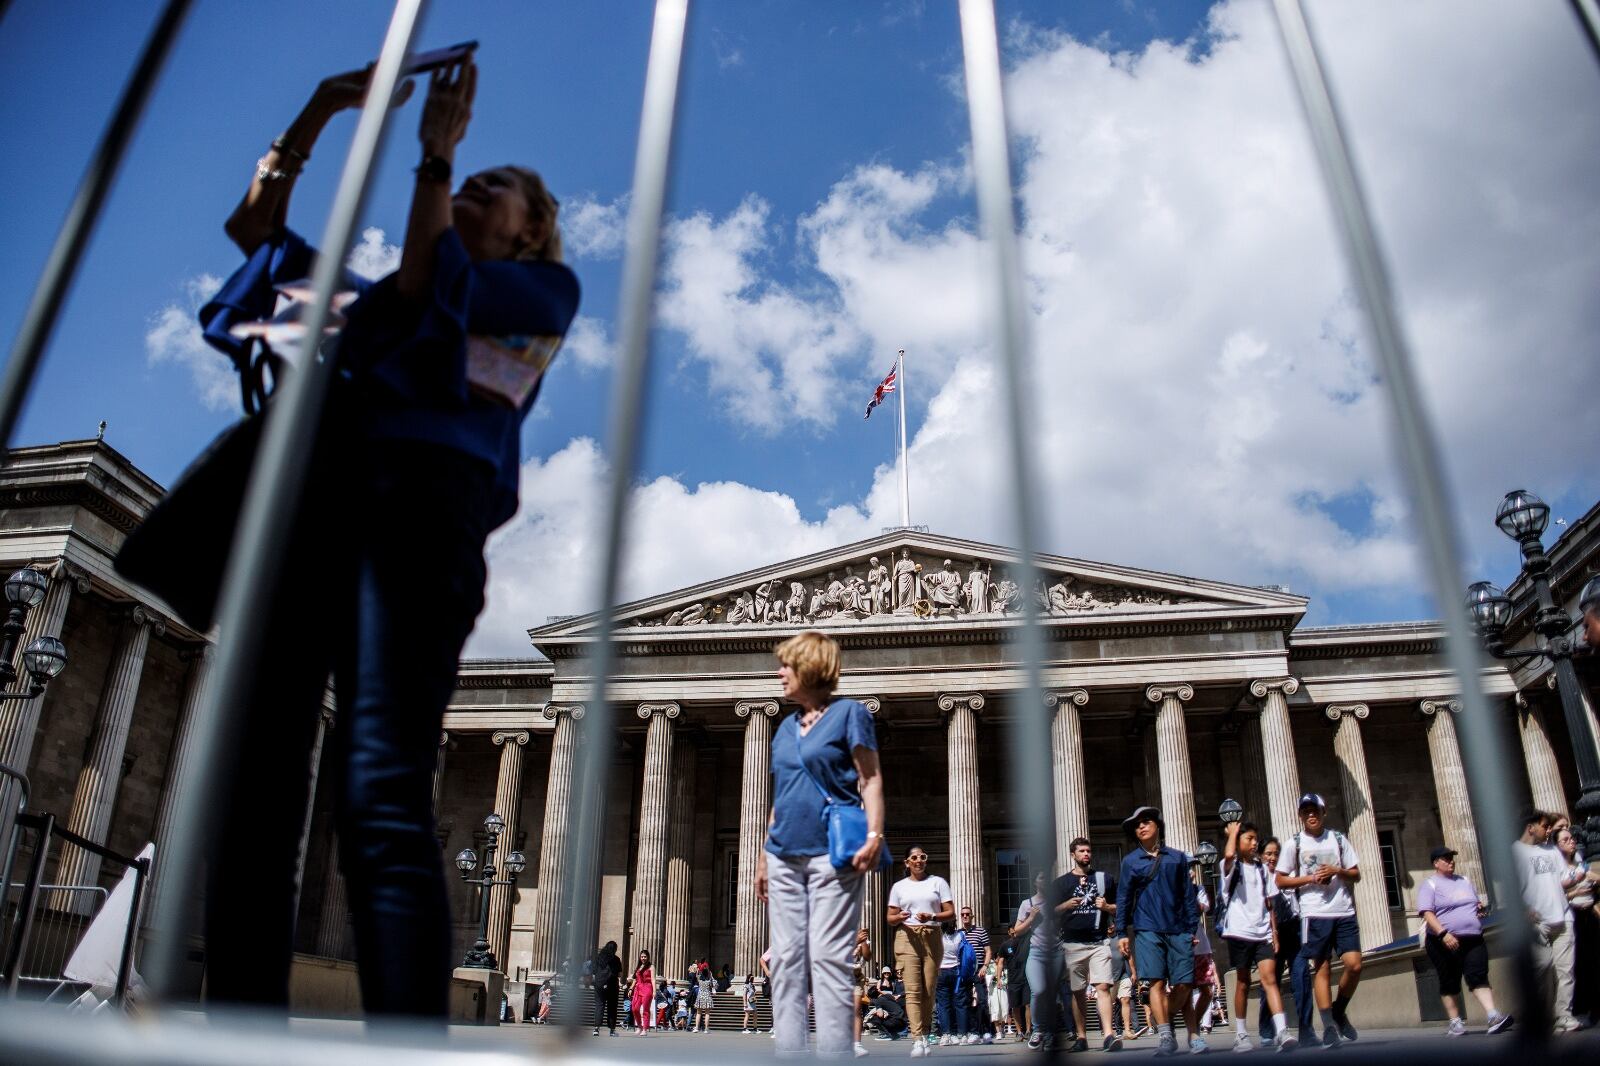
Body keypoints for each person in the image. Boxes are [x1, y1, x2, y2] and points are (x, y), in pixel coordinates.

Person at [194, 56, 579, 1020]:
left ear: (532, 230)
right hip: (314, 514)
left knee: (380, 785)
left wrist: (436, 160)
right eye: (469, 176)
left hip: (423, 524)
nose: (474, 185)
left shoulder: (538, 298)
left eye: (499, 187)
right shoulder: (371, 302)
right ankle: (242, 1022)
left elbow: (427, 293)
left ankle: (405, 1038)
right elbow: (255, 234)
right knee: (256, 782)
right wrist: (320, 108)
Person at [756, 631, 887, 1058]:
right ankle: (789, 1054)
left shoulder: (850, 713)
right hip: (783, 854)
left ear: (810, 669)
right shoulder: (783, 729)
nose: (780, 673)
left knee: (830, 960)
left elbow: (869, 779)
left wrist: (874, 834)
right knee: (787, 962)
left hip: (833, 854)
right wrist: (763, 856)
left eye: (787, 665)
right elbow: (782, 796)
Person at [1275, 793, 1363, 1048]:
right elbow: (1280, 880)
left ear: (1324, 813)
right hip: (1314, 913)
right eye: (1306, 812)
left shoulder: (1338, 839)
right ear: (1301, 816)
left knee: (1354, 965)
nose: (1311, 815)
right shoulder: (1294, 844)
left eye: (1315, 811)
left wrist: (1338, 871)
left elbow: (1356, 874)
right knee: (1322, 968)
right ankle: (1329, 1028)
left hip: (1343, 910)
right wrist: (1310, 879)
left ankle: (1339, 1009)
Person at [1115, 805, 1199, 1058]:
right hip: (1147, 929)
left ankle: (1167, 1017)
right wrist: (1121, 932)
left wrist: (1191, 928)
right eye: (1137, 824)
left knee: (1184, 984)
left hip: (1178, 929)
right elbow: (1124, 898)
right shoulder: (1130, 862)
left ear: (1157, 825)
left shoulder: (1176, 858)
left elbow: (1188, 896)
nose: (1141, 826)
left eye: (1146, 821)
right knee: (1156, 982)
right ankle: (1165, 1035)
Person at [1417, 845, 1512, 1036]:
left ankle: (1493, 1016)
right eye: (1446, 858)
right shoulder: (1430, 885)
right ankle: (1455, 1022)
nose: (1451, 861)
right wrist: (1444, 934)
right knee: (1449, 980)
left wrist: (1478, 908)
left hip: (1473, 938)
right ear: (1436, 863)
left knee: (1478, 974)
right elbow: (1427, 913)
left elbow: (1473, 903)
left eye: (1452, 858)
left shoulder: (1465, 881)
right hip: (1442, 941)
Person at [1217, 820, 1291, 1052]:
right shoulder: (1229, 866)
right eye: (1248, 838)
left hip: (1262, 933)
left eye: (1254, 838)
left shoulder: (1262, 869)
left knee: (1270, 980)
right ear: (1238, 841)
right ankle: (1241, 1034)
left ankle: (1282, 1031)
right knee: (1242, 982)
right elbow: (1229, 853)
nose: (1253, 842)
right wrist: (1232, 833)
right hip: (1239, 932)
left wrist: (1275, 933)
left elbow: (1270, 904)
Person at [1515, 808, 1581, 1032]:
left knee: (1565, 971)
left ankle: (1564, 1015)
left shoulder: (1552, 851)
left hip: (1563, 916)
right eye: (1545, 826)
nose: (1548, 830)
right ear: (1530, 827)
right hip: (1536, 922)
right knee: (1542, 967)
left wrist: (1577, 874)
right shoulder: (1515, 852)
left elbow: (1563, 879)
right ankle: (1542, 1015)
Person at [1055, 837, 1122, 1052]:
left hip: (1099, 942)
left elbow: (1121, 907)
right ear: (1072, 855)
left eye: (1088, 851)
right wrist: (1064, 905)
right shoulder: (1062, 883)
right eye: (1082, 851)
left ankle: (1109, 1035)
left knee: (1103, 987)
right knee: (1078, 991)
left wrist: (1108, 907)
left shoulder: (1105, 879)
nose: (1086, 854)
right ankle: (1081, 1037)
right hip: (1072, 944)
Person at [1255, 838, 1299, 1046]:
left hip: (1292, 929)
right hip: (1269, 934)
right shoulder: (1258, 877)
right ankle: (1267, 1028)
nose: (1273, 858)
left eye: (1276, 854)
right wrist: (1271, 932)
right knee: (1270, 982)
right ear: (1260, 855)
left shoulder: (1287, 876)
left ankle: (1304, 1029)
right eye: (1268, 853)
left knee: (1301, 978)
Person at [1012, 870, 1061, 1050]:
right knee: (1038, 991)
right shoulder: (1028, 903)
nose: (1045, 880)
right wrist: (1031, 918)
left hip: (1056, 951)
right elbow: (1016, 931)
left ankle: (1049, 1034)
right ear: (1035, 882)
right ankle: (1038, 1030)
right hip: (1037, 952)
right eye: (1041, 877)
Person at [1555, 826, 1598, 1022]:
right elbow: (1555, 894)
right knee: (1581, 963)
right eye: (1565, 840)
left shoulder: (1583, 865)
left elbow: (1595, 879)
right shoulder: (1558, 870)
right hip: (1573, 917)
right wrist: (1575, 892)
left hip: (1590, 914)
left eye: (1571, 838)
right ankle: (1584, 1009)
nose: (1571, 841)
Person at [934, 918, 976, 1047]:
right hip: (957, 971)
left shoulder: (937, 937)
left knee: (943, 1005)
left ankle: (947, 1034)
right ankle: (963, 1034)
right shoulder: (961, 935)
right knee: (960, 1004)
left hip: (941, 972)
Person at [957, 907, 993, 1044]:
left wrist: (985, 966)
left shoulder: (980, 931)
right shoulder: (958, 934)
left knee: (982, 1000)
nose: (965, 916)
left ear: (972, 916)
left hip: (979, 969)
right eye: (963, 914)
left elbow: (988, 951)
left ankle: (986, 1031)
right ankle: (973, 1031)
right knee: (966, 1001)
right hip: (964, 971)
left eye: (967, 914)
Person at [591, 940, 621, 1037]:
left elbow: (594, 971)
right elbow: (619, 974)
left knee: (599, 1006)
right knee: (612, 1007)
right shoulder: (616, 959)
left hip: (599, 985)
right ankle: (612, 1030)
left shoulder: (598, 958)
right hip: (612, 985)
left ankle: (596, 1029)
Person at [630, 950, 657, 1032]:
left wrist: (654, 991)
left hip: (647, 988)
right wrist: (631, 988)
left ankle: (645, 1029)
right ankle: (639, 1026)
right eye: (642, 956)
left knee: (645, 1009)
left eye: (645, 956)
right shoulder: (639, 966)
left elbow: (653, 980)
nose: (643, 958)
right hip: (638, 989)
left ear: (648, 957)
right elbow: (635, 979)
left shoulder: (651, 967)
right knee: (635, 1009)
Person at [693, 962, 716, 1033]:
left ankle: (696, 1027)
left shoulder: (699, 980)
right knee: (707, 1013)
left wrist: (698, 971)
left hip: (700, 996)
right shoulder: (709, 981)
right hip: (707, 996)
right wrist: (710, 974)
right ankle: (706, 1028)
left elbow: (697, 975)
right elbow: (714, 984)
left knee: (698, 1013)